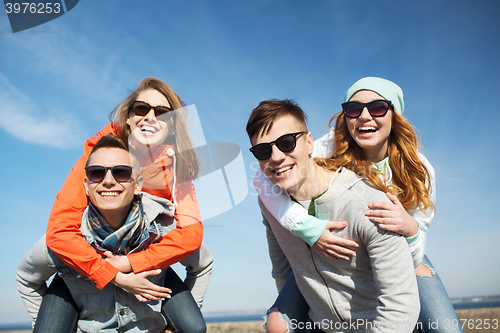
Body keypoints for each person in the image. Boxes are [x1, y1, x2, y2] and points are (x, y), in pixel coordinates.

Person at [254, 77, 461, 333]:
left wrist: (411, 229)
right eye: (353, 109)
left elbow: (414, 252)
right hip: (332, 248)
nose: (364, 116)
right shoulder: (327, 146)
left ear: (394, 115)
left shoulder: (419, 170)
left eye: (377, 108)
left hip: (401, 249)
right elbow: (264, 179)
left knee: (446, 329)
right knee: (277, 324)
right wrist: (306, 227)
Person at [26, 77, 209, 333]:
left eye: (163, 113)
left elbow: (191, 234)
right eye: (142, 108)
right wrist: (108, 273)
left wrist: (128, 263)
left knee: (193, 327)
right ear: (130, 116)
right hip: (88, 259)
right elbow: (60, 230)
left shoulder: (176, 166)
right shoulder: (98, 157)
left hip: (142, 252)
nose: (150, 117)